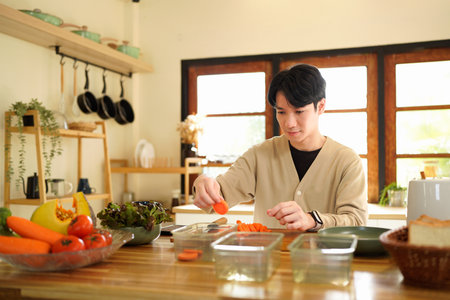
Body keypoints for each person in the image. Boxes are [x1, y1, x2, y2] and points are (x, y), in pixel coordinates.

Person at [193, 64, 367, 231]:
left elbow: (356, 221)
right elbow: (219, 194)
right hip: (269, 259)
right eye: (281, 112)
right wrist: (202, 184)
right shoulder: (259, 155)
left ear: (321, 106)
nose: (289, 123)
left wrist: (312, 220)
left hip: (324, 259)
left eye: (299, 111)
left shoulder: (347, 161)